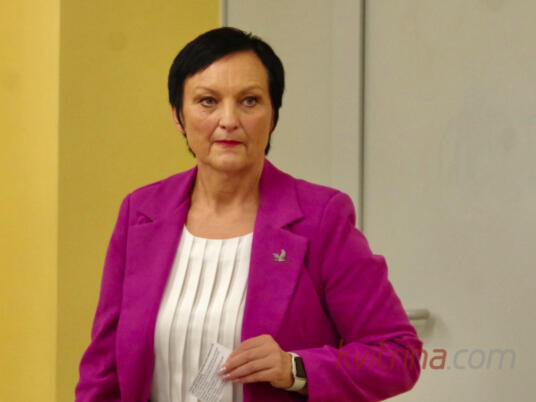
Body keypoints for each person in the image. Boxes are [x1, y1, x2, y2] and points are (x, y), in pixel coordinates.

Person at [75, 27, 422, 402]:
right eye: (208, 101)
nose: (228, 120)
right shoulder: (141, 213)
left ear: (273, 116)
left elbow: (398, 356)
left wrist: (294, 368)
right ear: (178, 115)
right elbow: (102, 370)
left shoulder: (321, 218)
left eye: (250, 101)